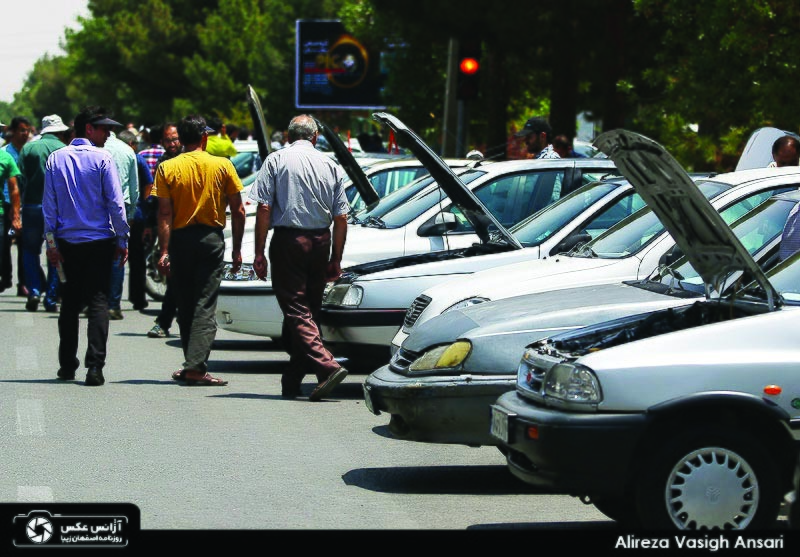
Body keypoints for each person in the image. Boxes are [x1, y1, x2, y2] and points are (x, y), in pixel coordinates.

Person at [251, 114, 349, 401]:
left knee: (295, 309)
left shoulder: (276, 160)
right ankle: (292, 380)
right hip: (320, 241)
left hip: (289, 242)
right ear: (315, 137)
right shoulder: (330, 165)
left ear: (288, 135)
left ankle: (327, 366)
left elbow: (264, 208)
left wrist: (259, 252)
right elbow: (341, 217)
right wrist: (336, 257)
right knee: (309, 312)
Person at [155, 115, 245, 386]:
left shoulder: (167, 167)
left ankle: (191, 364)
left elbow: (164, 214)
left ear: (181, 139)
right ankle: (195, 367)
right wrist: (237, 249)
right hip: (210, 240)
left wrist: (164, 250)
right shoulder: (222, 165)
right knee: (205, 303)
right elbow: (238, 210)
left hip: (180, 240)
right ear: (204, 137)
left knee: (185, 303)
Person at [44, 106, 129, 387]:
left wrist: (51, 244)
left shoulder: (56, 159)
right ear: (89, 129)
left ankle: (67, 365)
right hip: (99, 242)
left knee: (69, 302)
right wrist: (122, 237)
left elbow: (49, 206)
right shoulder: (103, 158)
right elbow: (115, 203)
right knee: (98, 302)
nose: (108, 134)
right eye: (104, 129)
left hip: (67, 242)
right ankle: (95, 367)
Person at [18, 114, 71, 312]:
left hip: (32, 208)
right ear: (60, 131)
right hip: (56, 211)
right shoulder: (65, 150)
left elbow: (20, 178)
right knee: (54, 250)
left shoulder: (28, 148)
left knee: (30, 250)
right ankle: (51, 297)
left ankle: (33, 291)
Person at [147, 122, 181, 338]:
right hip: (172, 227)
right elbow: (158, 204)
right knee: (175, 279)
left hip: (195, 227)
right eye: (168, 140)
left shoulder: (191, 159)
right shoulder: (163, 164)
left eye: (175, 139)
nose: (172, 144)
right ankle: (165, 322)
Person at [104, 129, 139, 320]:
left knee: (97, 253)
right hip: (121, 206)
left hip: (98, 207)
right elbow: (134, 189)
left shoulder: (94, 149)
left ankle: (94, 302)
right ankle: (113, 305)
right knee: (119, 254)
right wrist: (131, 215)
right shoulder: (127, 150)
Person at [118, 129, 154, 311]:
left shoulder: (112, 157)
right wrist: (145, 204)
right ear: (132, 144)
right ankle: (138, 297)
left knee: (117, 256)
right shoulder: (137, 159)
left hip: (117, 214)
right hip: (137, 214)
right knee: (137, 258)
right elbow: (149, 183)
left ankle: (113, 298)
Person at [2, 117, 30, 295]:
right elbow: (8, 187)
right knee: (4, 244)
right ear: (13, 132)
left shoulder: (29, 151)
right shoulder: (5, 153)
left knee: (24, 245)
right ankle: (6, 277)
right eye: (21, 130)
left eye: (27, 130)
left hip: (27, 204)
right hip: (7, 205)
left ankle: (23, 283)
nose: (25, 134)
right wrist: (13, 209)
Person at [0, 144, 22, 295]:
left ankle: (6, 277)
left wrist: (16, 215)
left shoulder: (5, 158)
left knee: (2, 247)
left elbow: (14, 188)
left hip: (1, 213)